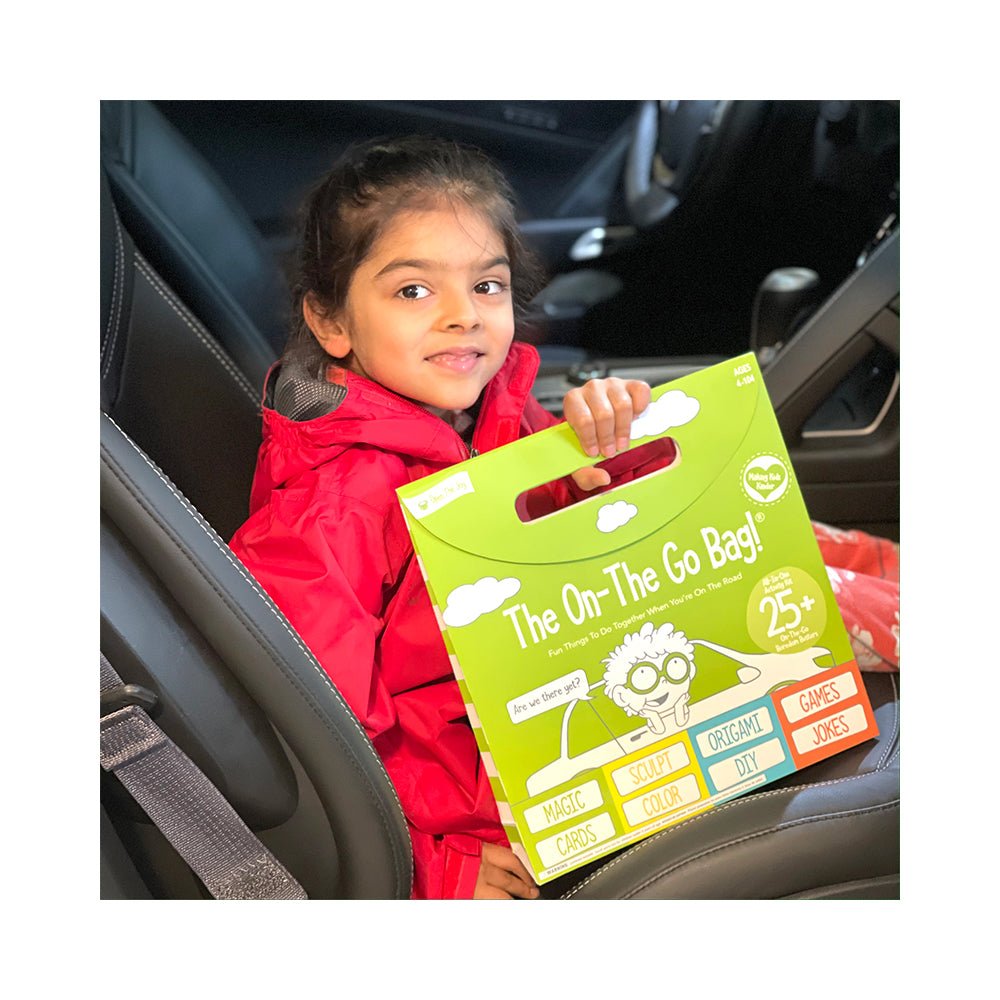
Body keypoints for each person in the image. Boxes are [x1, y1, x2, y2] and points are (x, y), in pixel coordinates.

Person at [230, 135, 899, 900]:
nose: (462, 316)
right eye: (413, 291)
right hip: (507, 805)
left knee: (795, 556)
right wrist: (433, 870)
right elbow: (318, 736)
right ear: (331, 324)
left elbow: (578, 537)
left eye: (487, 285)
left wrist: (609, 446)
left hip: (594, 703)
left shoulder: (487, 417)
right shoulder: (332, 509)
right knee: (813, 598)